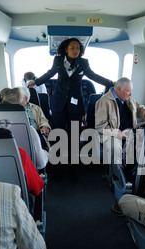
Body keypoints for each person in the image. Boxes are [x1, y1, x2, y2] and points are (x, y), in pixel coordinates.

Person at [27, 38, 114, 168]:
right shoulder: (58, 61)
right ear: (66, 50)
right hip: (58, 103)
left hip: (75, 105)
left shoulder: (83, 63)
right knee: (58, 134)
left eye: (78, 48)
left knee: (74, 135)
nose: (75, 50)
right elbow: (50, 73)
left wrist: (109, 82)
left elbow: (93, 76)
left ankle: (73, 166)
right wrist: (36, 82)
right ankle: (57, 165)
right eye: (72, 48)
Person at [95, 77, 145, 165]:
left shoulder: (129, 99)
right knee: (116, 146)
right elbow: (100, 126)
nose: (130, 94)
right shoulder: (103, 101)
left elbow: (138, 108)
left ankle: (137, 173)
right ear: (119, 89)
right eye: (128, 91)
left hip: (130, 132)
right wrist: (118, 134)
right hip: (112, 135)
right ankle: (116, 174)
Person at [0, 87, 49, 169]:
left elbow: (43, 120)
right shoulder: (29, 131)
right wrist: (45, 154)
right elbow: (41, 163)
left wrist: (45, 126)